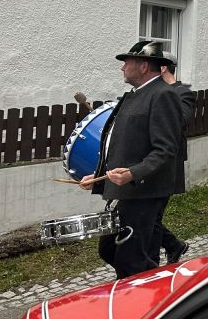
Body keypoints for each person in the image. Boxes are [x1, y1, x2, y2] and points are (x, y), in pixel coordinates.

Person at [80, 40, 184, 279]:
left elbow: (166, 149)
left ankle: (145, 293)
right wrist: (99, 177)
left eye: (126, 62)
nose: (122, 67)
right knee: (109, 249)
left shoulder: (163, 95)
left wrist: (133, 173)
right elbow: (124, 146)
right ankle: (152, 284)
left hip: (145, 191)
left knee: (131, 260)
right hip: (129, 190)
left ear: (144, 66)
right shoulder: (135, 96)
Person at [156, 57, 193, 264]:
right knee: (148, 217)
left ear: (163, 68)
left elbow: (182, 121)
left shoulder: (182, 93)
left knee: (151, 217)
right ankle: (173, 245)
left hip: (170, 164)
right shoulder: (153, 92)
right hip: (151, 163)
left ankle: (171, 247)